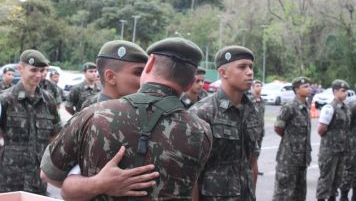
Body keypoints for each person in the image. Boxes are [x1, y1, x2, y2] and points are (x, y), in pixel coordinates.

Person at [41, 37, 213, 200]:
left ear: (150, 63)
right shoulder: (201, 130)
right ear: (191, 82)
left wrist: (97, 184)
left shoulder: (94, 115)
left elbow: (51, 175)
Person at [189, 45, 260, 201]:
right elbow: (191, 172)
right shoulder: (202, 112)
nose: (250, 72)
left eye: (250, 67)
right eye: (242, 67)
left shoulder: (252, 110)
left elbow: (252, 162)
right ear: (223, 73)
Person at [0, 49, 61, 195]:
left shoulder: (48, 101)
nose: (39, 75)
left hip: (37, 178)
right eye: (33, 70)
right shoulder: (5, 99)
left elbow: (54, 137)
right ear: (20, 69)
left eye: (42, 70)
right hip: (9, 177)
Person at [272, 77, 312, 201]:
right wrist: (291, 142)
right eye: (305, 87)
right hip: (288, 159)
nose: (309, 89)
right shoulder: (289, 107)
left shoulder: (306, 106)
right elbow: (278, 128)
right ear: (296, 90)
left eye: (309, 86)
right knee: (284, 194)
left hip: (302, 159)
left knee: (299, 194)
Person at [80, 40, 148, 110]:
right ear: (110, 77)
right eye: (138, 73)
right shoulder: (89, 111)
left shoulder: (142, 111)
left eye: (145, 73)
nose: (145, 79)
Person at [316, 79, 351, 201]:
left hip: (341, 150)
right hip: (329, 151)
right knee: (326, 179)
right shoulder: (329, 108)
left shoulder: (346, 108)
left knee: (337, 178)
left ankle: (332, 198)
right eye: (342, 91)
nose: (345, 93)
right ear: (335, 91)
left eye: (346, 91)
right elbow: (321, 129)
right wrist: (331, 140)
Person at [249, 79, 265, 176]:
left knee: (258, 151)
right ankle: (249, 168)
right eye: (257, 86)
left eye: (260, 86)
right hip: (252, 131)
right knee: (251, 151)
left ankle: (255, 168)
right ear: (252, 88)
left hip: (260, 130)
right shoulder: (249, 101)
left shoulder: (262, 101)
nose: (258, 88)